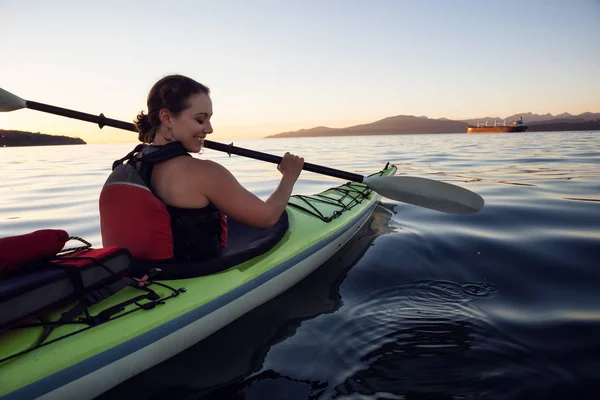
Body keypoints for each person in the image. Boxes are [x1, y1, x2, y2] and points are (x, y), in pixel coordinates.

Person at [99, 74, 304, 263]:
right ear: (167, 118)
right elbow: (267, 217)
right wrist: (289, 175)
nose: (209, 129)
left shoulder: (135, 163)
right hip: (192, 277)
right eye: (200, 119)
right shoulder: (204, 172)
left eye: (209, 119)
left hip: (151, 276)